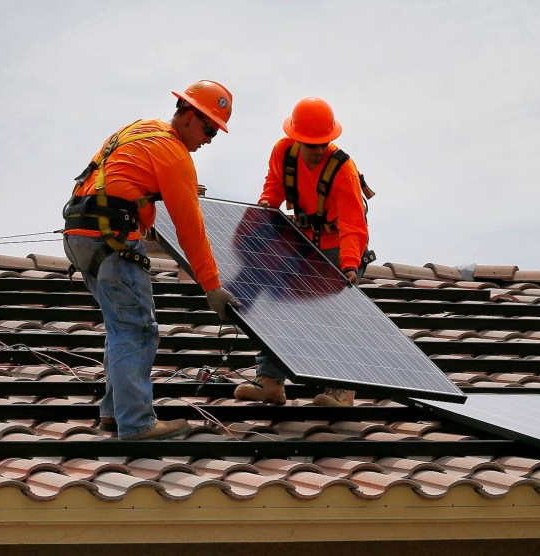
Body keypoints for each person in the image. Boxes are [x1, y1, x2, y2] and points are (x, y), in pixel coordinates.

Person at [62, 80, 241, 440]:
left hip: (79, 232)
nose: (209, 139)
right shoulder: (174, 155)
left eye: (216, 132)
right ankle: (137, 422)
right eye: (208, 128)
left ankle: (115, 412)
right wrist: (212, 287)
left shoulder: (142, 128)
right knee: (137, 329)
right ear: (188, 116)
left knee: (120, 326)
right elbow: (191, 231)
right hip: (113, 240)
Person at [235, 97, 372, 407]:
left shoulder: (344, 169)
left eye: (324, 143)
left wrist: (350, 265)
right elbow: (273, 187)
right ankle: (270, 381)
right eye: (312, 144)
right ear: (296, 139)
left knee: (336, 313)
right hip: (304, 241)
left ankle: (341, 389)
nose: (319, 150)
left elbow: (354, 225)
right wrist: (265, 213)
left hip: (339, 246)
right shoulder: (283, 153)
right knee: (277, 304)